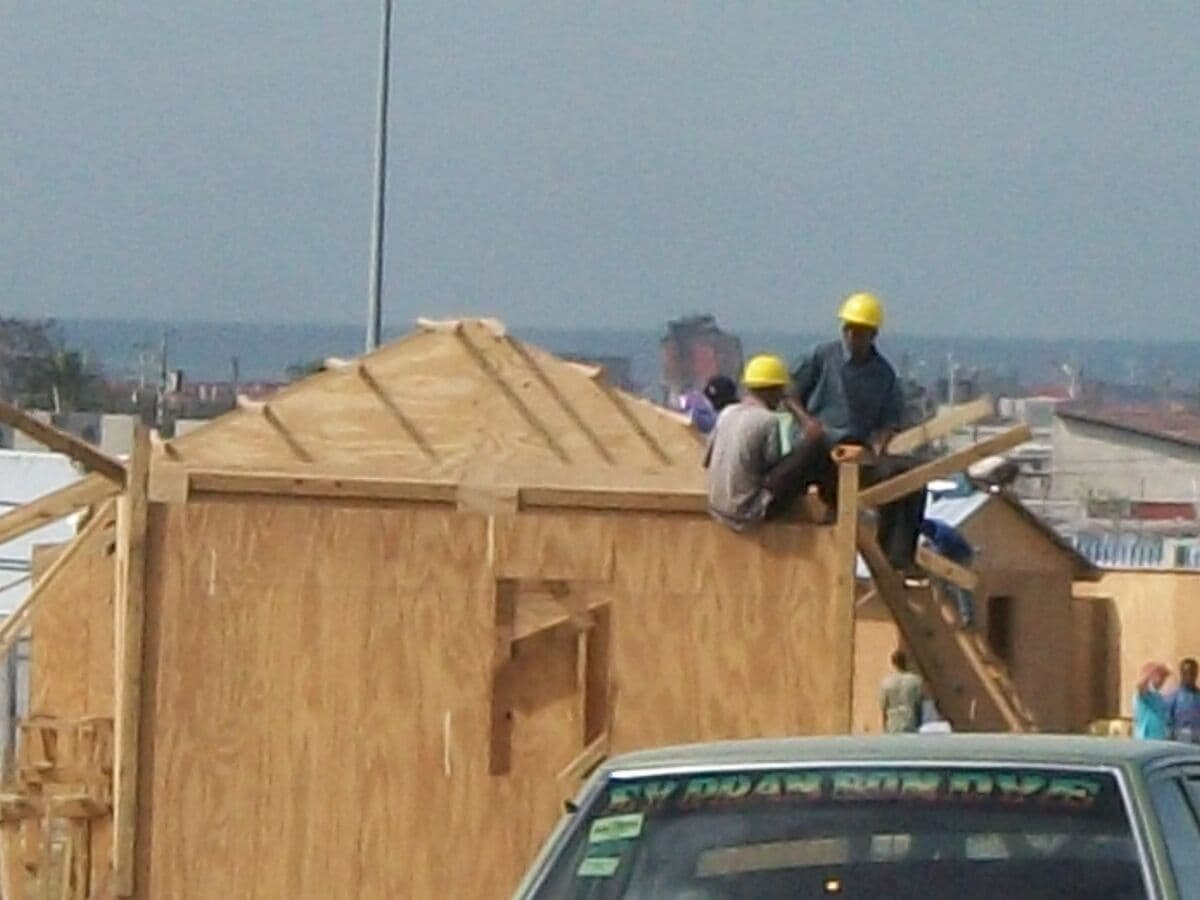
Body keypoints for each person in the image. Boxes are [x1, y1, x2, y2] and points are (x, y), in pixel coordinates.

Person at [784, 292, 926, 573]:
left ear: (873, 335)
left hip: (856, 453)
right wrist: (807, 422)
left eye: (859, 331)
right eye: (848, 329)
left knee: (911, 479)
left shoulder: (883, 374)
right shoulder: (822, 357)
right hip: (818, 450)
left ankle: (895, 557)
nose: (851, 336)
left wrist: (881, 441)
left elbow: (890, 419)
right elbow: (789, 393)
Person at [703, 355, 825, 531]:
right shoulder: (768, 420)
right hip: (748, 512)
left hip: (716, 508)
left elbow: (707, 461)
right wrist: (806, 429)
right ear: (774, 391)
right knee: (814, 447)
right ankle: (832, 505)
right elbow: (773, 469)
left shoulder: (727, 413)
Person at [919, 518, 976, 627]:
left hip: (962, 556)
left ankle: (967, 616)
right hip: (952, 552)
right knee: (945, 581)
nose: (924, 536)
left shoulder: (942, 536)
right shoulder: (933, 523)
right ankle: (951, 598)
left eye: (925, 534)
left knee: (961, 584)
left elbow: (939, 557)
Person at [879, 649, 924, 734]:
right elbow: (919, 706)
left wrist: (884, 727)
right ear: (906, 662)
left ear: (893, 663)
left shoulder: (886, 683)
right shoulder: (916, 681)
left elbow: (884, 707)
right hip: (910, 723)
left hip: (893, 724)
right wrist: (919, 724)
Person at [1133, 661, 1171, 740]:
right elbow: (1140, 686)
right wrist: (1148, 674)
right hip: (1145, 739)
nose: (1163, 680)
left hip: (1159, 739)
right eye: (1161, 676)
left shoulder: (1159, 697)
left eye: (1164, 677)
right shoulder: (1144, 694)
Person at [1167, 657, 1200, 744]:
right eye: (1185, 673)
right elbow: (1167, 723)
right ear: (1181, 674)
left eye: (1192, 673)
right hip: (1180, 744)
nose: (1189, 676)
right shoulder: (1173, 697)